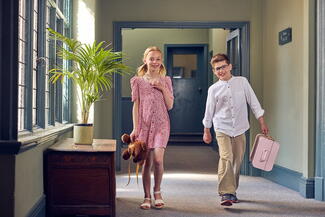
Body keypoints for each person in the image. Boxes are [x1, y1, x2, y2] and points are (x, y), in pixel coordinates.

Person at [202, 53, 269, 206]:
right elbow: (209, 110)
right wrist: (206, 130)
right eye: (217, 69)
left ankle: (232, 191)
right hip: (222, 128)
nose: (221, 71)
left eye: (223, 67)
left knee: (237, 160)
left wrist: (262, 122)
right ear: (214, 71)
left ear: (230, 66)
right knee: (226, 157)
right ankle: (226, 193)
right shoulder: (213, 89)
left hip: (240, 128)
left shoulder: (242, 82)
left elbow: (254, 103)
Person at [130, 46, 174, 210]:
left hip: (162, 125)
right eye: (152, 58)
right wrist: (135, 128)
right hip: (144, 126)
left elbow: (170, 105)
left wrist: (162, 88)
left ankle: (157, 192)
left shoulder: (166, 80)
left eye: (158, 59)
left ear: (161, 61)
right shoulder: (137, 81)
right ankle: (147, 196)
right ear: (145, 60)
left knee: (158, 160)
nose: (155, 62)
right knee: (146, 163)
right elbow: (136, 106)